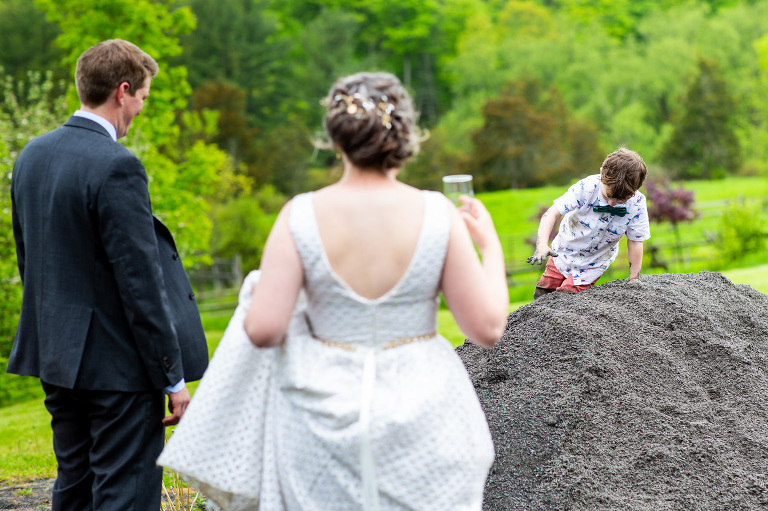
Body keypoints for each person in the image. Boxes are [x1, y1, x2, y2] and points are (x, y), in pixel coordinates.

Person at [159, 72, 509, 510]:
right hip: (425, 417)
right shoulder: (438, 214)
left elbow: (264, 329)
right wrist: (490, 246)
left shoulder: (300, 215)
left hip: (319, 421)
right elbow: (488, 326)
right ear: (405, 136)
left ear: (336, 139)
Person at [8, 39, 208, 510]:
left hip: (56, 361)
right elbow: (141, 285)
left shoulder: (31, 156)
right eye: (142, 96)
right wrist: (173, 381)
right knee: (126, 494)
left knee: (73, 488)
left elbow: (30, 261)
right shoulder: (118, 165)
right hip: (117, 368)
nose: (141, 107)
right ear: (123, 91)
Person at [526, 147, 651, 298]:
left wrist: (634, 279)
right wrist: (541, 245)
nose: (611, 204)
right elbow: (552, 213)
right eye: (608, 196)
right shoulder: (586, 188)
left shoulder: (637, 204)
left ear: (635, 190)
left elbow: (636, 241)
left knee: (567, 296)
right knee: (544, 291)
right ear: (601, 174)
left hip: (595, 262)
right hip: (563, 252)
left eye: (620, 200)